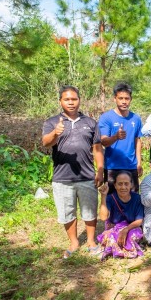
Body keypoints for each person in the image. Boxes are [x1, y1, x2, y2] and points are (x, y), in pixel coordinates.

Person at [41, 86, 104, 259]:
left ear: (79, 100)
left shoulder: (90, 123)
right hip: (62, 177)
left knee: (90, 210)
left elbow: (97, 149)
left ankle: (91, 242)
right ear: (60, 101)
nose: (71, 102)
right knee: (67, 211)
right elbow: (46, 143)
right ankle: (74, 242)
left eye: (74, 99)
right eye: (67, 99)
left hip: (86, 175)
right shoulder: (52, 122)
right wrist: (55, 132)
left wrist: (100, 170)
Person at [99, 82, 143, 192]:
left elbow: (137, 141)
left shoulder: (136, 119)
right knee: (112, 202)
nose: (124, 101)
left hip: (131, 166)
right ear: (115, 99)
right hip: (112, 167)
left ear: (131, 99)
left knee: (132, 201)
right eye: (121, 98)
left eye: (127, 98)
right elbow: (103, 141)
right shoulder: (106, 118)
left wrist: (139, 163)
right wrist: (116, 137)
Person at [95, 171, 144, 259]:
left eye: (126, 184)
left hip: (131, 228)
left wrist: (126, 229)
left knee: (132, 236)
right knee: (110, 237)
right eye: (120, 184)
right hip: (113, 228)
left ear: (131, 185)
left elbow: (139, 220)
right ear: (115, 185)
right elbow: (103, 217)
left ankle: (118, 250)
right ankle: (122, 250)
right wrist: (103, 196)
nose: (123, 187)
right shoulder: (110, 198)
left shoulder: (137, 198)